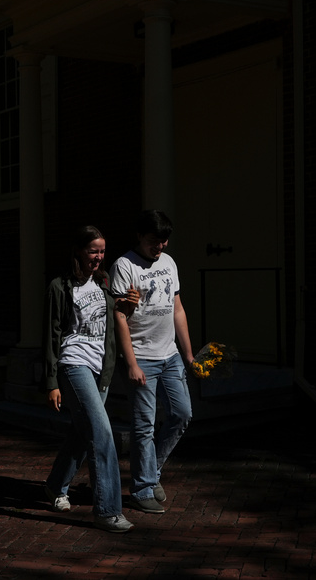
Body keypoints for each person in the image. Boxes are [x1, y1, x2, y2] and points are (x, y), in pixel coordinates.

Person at [41, 225, 138, 533]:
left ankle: (55, 486)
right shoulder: (60, 286)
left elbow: (115, 316)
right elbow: (52, 335)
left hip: (102, 368)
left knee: (82, 434)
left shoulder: (105, 282)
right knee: (102, 434)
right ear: (79, 251)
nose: (98, 257)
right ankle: (108, 511)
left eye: (102, 251)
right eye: (93, 250)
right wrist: (51, 381)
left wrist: (128, 306)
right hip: (73, 364)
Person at [109, 209, 195, 514]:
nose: (159, 247)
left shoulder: (169, 263)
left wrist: (187, 354)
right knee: (143, 425)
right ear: (139, 237)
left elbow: (178, 309)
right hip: (141, 356)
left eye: (163, 241)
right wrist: (130, 363)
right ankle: (142, 487)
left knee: (182, 414)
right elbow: (119, 317)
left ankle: (151, 471)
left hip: (170, 355)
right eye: (153, 241)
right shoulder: (124, 265)